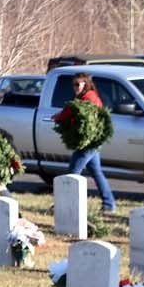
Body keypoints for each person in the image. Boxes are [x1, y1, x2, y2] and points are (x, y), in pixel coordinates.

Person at [52, 73, 115, 212]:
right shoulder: (86, 96)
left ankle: (63, 204)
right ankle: (109, 204)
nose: (74, 87)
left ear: (85, 84)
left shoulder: (88, 98)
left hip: (88, 143)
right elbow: (70, 110)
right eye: (73, 84)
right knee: (96, 172)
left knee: (73, 172)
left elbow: (72, 111)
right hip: (94, 142)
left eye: (77, 84)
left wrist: (59, 117)